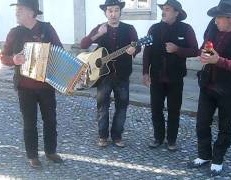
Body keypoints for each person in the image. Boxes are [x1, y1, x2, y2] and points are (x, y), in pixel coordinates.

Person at [188, 0, 231, 176]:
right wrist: (204, 54)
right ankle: (204, 155)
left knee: (225, 125)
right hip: (207, 83)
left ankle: (218, 158)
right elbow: (206, 45)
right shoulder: (213, 26)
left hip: (228, 89)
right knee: (201, 123)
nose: (215, 21)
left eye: (219, 18)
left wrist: (218, 60)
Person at [1, 0, 63, 168]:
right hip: (25, 87)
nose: (16, 12)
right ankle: (32, 155)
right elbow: (3, 57)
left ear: (31, 12)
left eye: (20, 9)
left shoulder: (47, 29)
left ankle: (50, 151)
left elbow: (60, 51)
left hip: (46, 85)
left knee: (50, 120)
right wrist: (13, 59)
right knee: (29, 122)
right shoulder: (14, 32)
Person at [80, 0, 141, 148]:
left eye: (116, 10)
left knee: (122, 106)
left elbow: (137, 44)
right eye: (110, 11)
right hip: (103, 76)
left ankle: (117, 136)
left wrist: (135, 49)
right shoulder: (100, 28)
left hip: (122, 75)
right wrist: (98, 34)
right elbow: (83, 44)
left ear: (120, 12)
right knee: (102, 107)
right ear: (106, 12)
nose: (113, 14)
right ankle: (102, 136)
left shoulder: (129, 29)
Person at [142, 0, 198, 151]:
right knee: (156, 109)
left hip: (175, 78)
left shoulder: (186, 29)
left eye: (167, 9)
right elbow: (147, 52)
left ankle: (171, 140)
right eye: (163, 9)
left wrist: (178, 49)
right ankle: (158, 138)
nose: (163, 12)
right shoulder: (154, 29)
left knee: (174, 110)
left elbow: (195, 50)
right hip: (156, 77)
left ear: (176, 12)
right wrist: (145, 72)